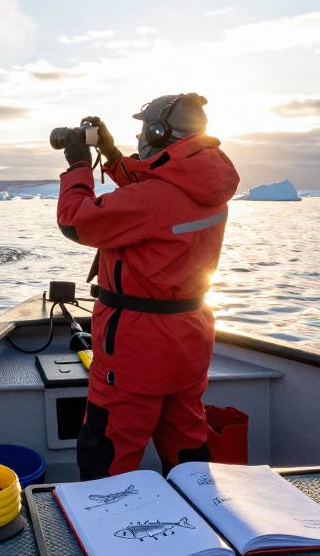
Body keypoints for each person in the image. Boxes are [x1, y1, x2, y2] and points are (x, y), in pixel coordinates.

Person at [55, 93, 240, 479]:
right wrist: (109, 151)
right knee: (186, 439)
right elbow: (155, 182)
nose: (141, 134)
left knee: (108, 449)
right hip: (189, 337)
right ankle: (199, 520)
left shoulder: (153, 200)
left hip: (137, 345)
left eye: (144, 128)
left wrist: (77, 165)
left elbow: (74, 220)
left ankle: (111, 528)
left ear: (159, 132)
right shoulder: (204, 185)